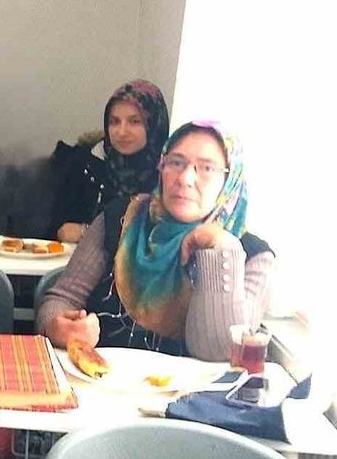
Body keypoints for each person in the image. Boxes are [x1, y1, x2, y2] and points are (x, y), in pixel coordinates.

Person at [37, 121, 274, 361]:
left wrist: (220, 250)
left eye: (207, 168)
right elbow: (61, 298)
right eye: (176, 162)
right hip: (97, 378)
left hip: (189, 386)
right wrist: (57, 327)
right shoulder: (121, 218)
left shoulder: (253, 256)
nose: (185, 178)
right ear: (161, 167)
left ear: (230, 179)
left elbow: (219, 352)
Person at [51, 79, 169, 243]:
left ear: (154, 124)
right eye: (114, 122)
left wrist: (87, 231)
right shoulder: (86, 164)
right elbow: (57, 229)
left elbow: (162, 236)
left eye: (134, 121)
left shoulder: (169, 174)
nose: (121, 132)